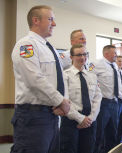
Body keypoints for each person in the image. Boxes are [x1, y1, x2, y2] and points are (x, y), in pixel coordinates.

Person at [11, 5, 70, 153]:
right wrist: (61, 101)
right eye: (50, 19)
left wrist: (62, 101)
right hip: (33, 117)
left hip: (51, 115)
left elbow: (59, 78)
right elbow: (34, 80)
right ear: (36, 20)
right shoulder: (26, 45)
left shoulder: (50, 49)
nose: (54, 24)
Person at [60, 44, 102, 153]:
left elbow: (97, 98)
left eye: (85, 54)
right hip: (71, 121)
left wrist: (91, 118)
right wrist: (80, 119)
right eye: (79, 55)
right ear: (71, 57)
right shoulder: (65, 75)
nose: (82, 57)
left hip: (90, 121)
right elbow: (65, 101)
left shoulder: (92, 76)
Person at [92, 45, 122, 153]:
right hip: (103, 103)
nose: (116, 55)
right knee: (99, 134)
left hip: (115, 103)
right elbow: (89, 78)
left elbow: (118, 84)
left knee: (113, 134)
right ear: (106, 54)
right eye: (114, 53)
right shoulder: (96, 64)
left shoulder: (115, 66)